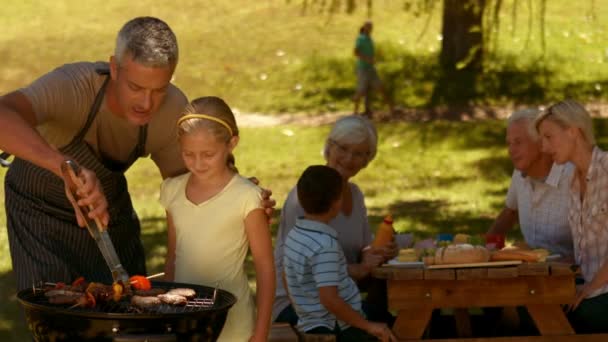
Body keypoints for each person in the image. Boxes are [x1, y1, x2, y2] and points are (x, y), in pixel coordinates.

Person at [0, 16, 274, 291]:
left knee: (133, 307)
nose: (146, 103)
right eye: (135, 88)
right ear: (114, 68)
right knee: (55, 313)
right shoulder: (72, 86)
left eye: (159, 90)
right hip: (39, 213)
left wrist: (237, 197)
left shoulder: (172, 111)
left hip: (107, 213)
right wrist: (64, 166)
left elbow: (193, 188)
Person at [160, 96, 275, 341]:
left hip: (234, 326)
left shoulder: (248, 197)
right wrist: (166, 317)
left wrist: (261, 332)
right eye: (188, 154)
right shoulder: (171, 191)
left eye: (208, 154)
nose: (198, 163)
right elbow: (172, 259)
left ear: (232, 143)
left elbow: (265, 268)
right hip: (184, 323)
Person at [273, 115, 397, 326]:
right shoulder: (308, 196)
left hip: (339, 298)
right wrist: (356, 270)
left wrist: (377, 252)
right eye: (343, 149)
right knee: (387, 323)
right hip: (298, 305)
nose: (349, 159)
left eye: (358, 153)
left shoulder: (355, 195)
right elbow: (298, 265)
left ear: (368, 159)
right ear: (329, 147)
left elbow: (364, 246)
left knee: (394, 313)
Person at [283, 165, 397, 341]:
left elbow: (286, 275)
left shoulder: (295, 235)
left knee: (381, 314)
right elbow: (330, 299)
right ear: (337, 202)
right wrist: (369, 326)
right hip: (337, 326)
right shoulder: (324, 245)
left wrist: (304, 308)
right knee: (390, 328)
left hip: (311, 320)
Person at [535, 99, 608, 334]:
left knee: (553, 318)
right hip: (587, 288)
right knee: (531, 308)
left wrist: (590, 288)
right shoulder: (572, 181)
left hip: (600, 292)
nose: (544, 148)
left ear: (573, 131)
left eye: (549, 137)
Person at [487, 109, 574, 258]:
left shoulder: (575, 177)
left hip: (575, 275)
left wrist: (551, 267)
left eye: (518, 142)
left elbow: (593, 251)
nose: (510, 150)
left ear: (541, 143)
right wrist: (485, 249)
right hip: (533, 271)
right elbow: (509, 212)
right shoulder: (520, 173)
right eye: (509, 143)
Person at [352, 20, 393, 117]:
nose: (370, 29)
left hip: (371, 68)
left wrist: (373, 59)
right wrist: (367, 59)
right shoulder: (361, 38)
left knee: (380, 87)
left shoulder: (369, 38)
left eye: (371, 27)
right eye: (368, 27)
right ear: (364, 27)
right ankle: (355, 112)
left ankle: (392, 109)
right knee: (361, 90)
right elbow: (356, 52)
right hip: (363, 68)